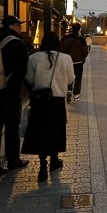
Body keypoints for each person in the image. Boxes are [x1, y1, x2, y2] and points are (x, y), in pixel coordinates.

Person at [0, 15, 29, 178]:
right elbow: (23, 70)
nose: (21, 28)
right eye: (19, 25)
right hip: (10, 93)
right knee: (12, 127)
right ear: (12, 26)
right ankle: (13, 159)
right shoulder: (17, 44)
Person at [22, 31, 74, 181]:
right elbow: (70, 79)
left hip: (40, 100)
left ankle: (42, 165)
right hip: (57, 100)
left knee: (41, 131)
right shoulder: (65, 58)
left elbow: (29, 79)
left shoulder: (33, 58)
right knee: (55, 130)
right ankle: (54, 160)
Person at [61, 22, 89, 102]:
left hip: (67, 62)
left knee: (68, 77)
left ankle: (68, 90)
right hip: (78, 62)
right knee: (78, 78)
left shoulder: (65, 38)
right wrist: (83, 58)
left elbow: (61, 48)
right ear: (79, 29)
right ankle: (76, 95)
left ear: (72, 28)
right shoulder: (81, 39)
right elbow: (85, 51)